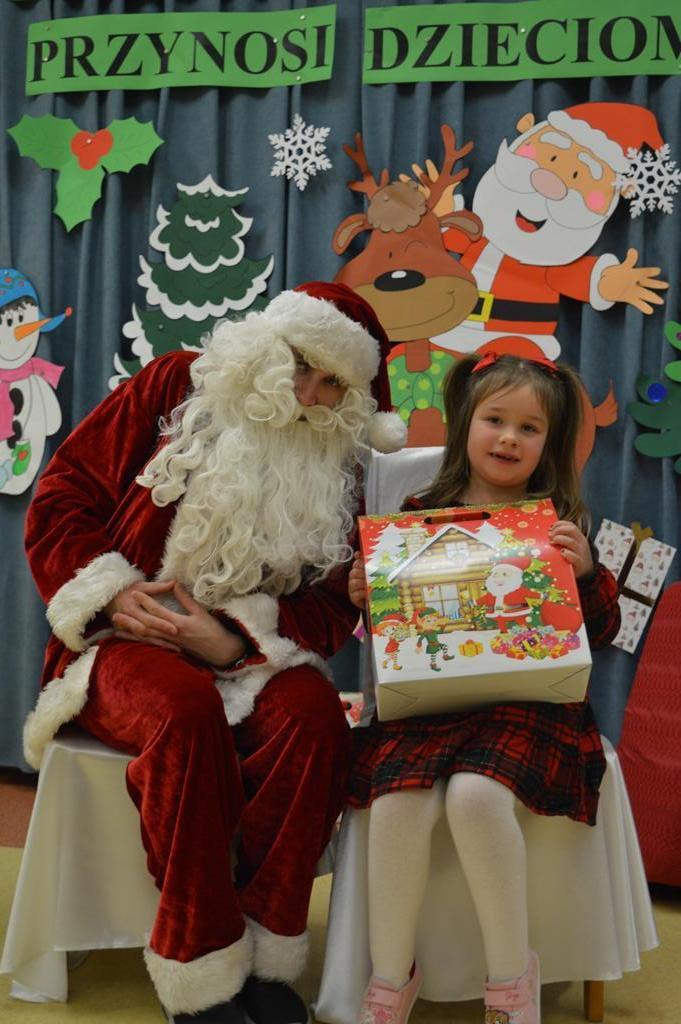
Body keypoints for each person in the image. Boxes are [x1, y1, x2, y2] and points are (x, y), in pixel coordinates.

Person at [22, 281, 407, 1024]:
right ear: (267, 344)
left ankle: (267, 954)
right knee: (183, 710)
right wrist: (111, 594)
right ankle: (197, 961)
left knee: (315, 722)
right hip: (123, 642)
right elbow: (63, 495)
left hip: (252, 656)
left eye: (332, 384)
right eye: (301, 365)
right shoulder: (175, 384)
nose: (308, 394)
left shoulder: (340, 461)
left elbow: (331, 607)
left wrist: (234, 639)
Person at [346, 352, 621, 1024]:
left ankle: (510, 979)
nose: (508, 438)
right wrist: (367, 596)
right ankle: (389, 979)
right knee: (396, 802)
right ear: (465, 422)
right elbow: (395, 632)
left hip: (529, 705)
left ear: (548, 443)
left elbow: (600, 629)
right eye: (495, 420)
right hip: (430, 705)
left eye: (528, 428)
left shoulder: (556, 523)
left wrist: (586, 574)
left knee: (475, 797)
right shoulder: (417, 516)